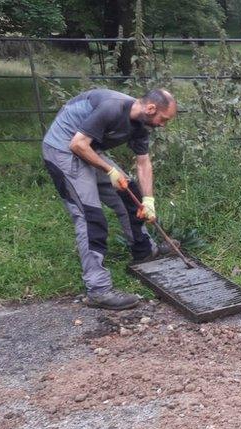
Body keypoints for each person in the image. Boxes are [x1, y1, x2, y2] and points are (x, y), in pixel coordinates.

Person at [41, 88, 177, 310]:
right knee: (90, 216)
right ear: (151, 108)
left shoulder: (141, 125)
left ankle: (143, 251)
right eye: (163, 119)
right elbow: (77, 144)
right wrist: (109, 170)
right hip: (63, 150)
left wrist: (148, 200)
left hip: (88, 148)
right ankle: (98, 290)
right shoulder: (112, 107)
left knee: (129, 195)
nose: (163, 124)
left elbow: (143, 163)